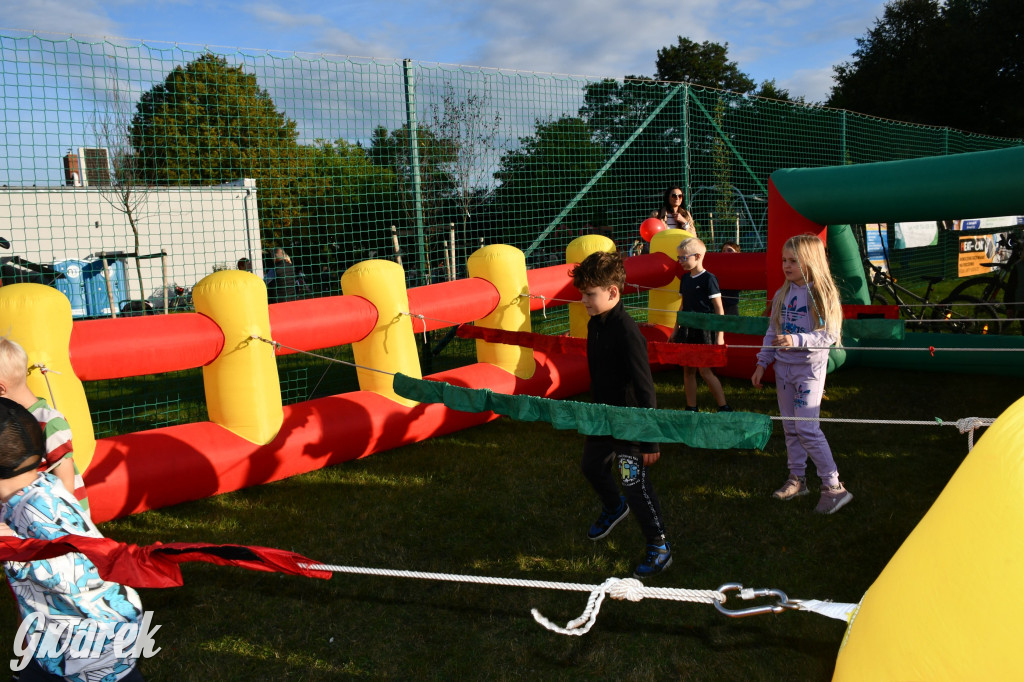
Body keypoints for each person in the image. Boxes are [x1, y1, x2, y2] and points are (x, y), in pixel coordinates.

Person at [0, 398, 145, 681]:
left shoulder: (37, 513)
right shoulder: (40, 485)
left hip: (92, 643)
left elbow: (73, 571)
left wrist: (17, 550)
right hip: (57, 637)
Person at [570, 251, 672, 579]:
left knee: (633, 482)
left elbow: (645, 388)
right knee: (591, 466)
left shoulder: (628, 333)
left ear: (613, 292)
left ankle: (659, 545)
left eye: (589, 294)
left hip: (630, 426)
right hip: (603, 418)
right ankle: (615, 507)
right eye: (582, 294)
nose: (584, 300)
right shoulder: (595, 324)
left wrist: (650, 439)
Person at [751, 234, 852, 515]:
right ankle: (797, 479)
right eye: (784, 260)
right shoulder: (782, 294)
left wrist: (796, 340)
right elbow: (772, 331)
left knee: (807, 428)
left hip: (808, 372)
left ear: (811, 262)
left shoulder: (821, 294)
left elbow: (829, 335)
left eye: (793, 261)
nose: (786, 265)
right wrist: (762, 363)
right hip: (783, 371)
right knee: (790, 427)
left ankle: (834, 487)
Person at [0, 337, 89, 516]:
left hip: (57, 517)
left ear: (1, 388)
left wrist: (42, 518)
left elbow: (66, 485)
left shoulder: (50, 423)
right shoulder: (9, 420)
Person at [671, 238, 732, 413]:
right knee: (688, 370)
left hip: (704, 330)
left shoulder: (709, 279)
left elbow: (719, 309)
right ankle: (691, 407)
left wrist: (720, 336)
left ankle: (723, 406)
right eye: (679, 257)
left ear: (697, 256)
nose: (680, 261)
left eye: (684, 257)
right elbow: (682, 306)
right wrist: (675, 330)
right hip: (687, 330)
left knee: (705, 371)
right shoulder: (684, 279)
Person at [719, 241, 742, 316]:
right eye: (723, 251)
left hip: (731, 306)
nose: (726, 253)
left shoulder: (739, 268)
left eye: (729, 250)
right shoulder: (718, 266)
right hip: (716, 303)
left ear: (737, 253)